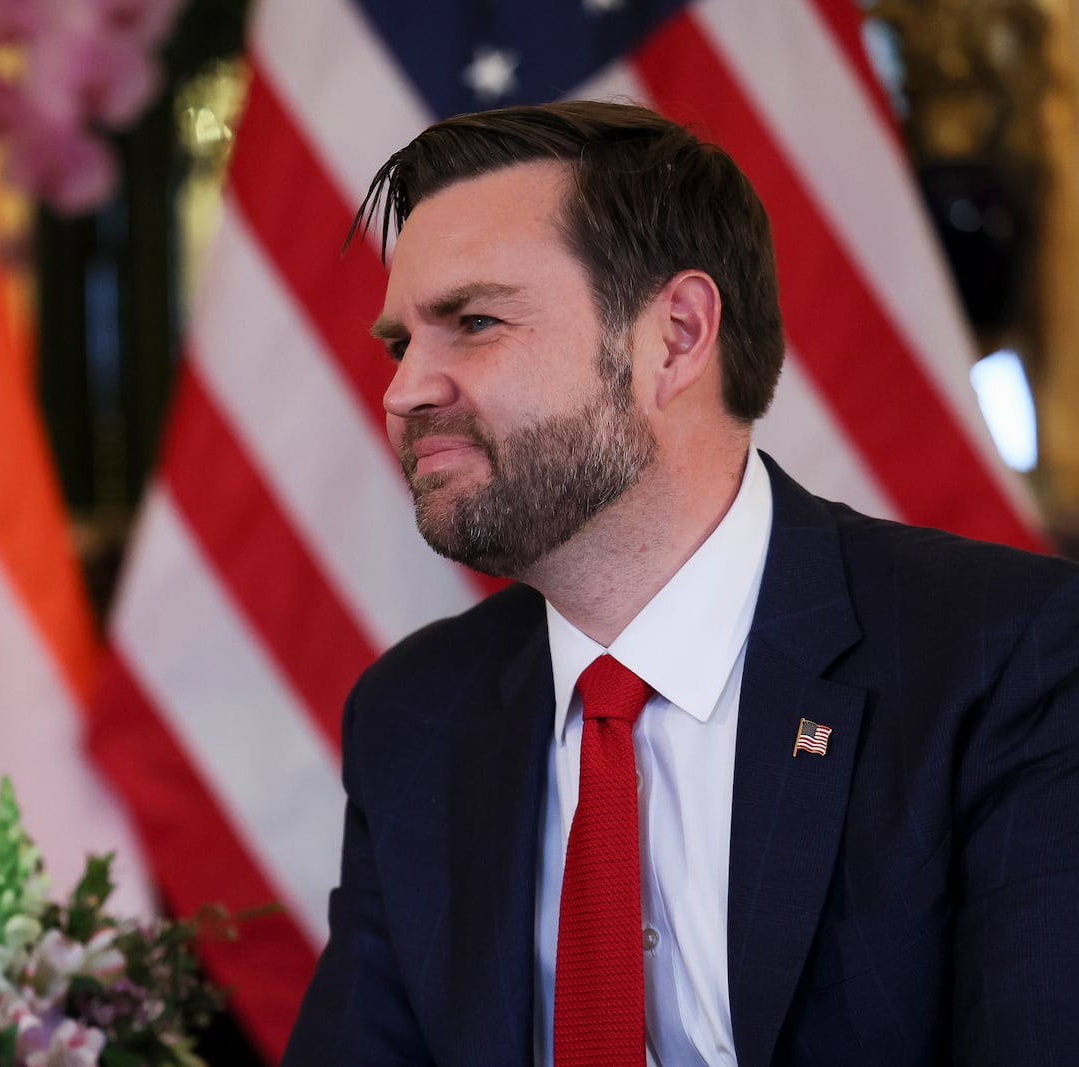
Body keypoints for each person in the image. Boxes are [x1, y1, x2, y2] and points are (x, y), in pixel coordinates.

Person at [280, 100, 1079, 1067]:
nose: (404, 389)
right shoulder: (413, 715)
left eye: (475, 322)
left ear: (677, 335)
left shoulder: (1010, 657)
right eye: (401, 343)